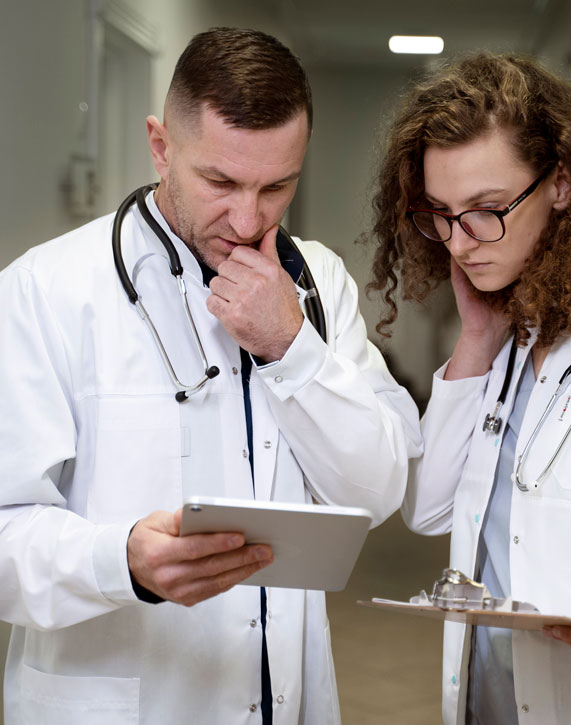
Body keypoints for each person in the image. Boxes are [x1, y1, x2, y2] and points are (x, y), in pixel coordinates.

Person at [0, 27, 421, 724]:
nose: (249, 217)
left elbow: (375, 491)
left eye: (277, 186)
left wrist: (294, 347)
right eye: (221, 182)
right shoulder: (45, 293)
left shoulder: (319, 284)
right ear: (161, 146)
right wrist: (120, 561)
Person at [366, 52, 571, 724]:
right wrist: (476, 345)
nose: (461, 242)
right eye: (442, 213)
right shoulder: (511, 335)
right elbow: (427, 508)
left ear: (564, 184)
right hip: (486, 697)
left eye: (487, 209)